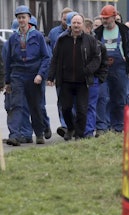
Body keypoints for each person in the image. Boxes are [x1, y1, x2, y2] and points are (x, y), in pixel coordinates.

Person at [47, 13, 101, 140]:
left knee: (82, 110)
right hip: (66, 81)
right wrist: (50, 77)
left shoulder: (90, 40)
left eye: (79, 23)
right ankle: (70, 127)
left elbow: (96, 58)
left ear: (83, 25)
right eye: (74, 23)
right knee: (65, 108)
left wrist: (88, 70)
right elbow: (55, 59)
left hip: (83, 82)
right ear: (70, 24)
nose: (76, 25)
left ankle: (79, 135)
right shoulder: (62, 40)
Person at [4, 5, 51, 146]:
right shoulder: (13, 38)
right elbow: (8, 61)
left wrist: (40, 75)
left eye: (24, 17)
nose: (21, 20)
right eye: (19, 18)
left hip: (33, 75)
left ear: (29, 18)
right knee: (16, 105)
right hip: (17, 75)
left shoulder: (38, 36)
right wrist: (7, 81)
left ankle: (39, 134)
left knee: (35, 106)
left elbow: (46, 57)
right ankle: (15, 135)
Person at [94, 5, 129, 133]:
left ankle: (119, 126)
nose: (105, 21)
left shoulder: (125, 31)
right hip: (103, 69)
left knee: (120, 98)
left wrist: (128, 59)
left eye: (107, 18)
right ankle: (103, 126)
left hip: (120, 69)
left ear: (114, 17)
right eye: (103, 18)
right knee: (103, 97)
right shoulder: (98, 32)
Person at [48, 7, 73, 138]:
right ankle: (65, 125)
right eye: (65, 19)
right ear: (61, 18)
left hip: (74, 72)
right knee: (62, 100)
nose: (67, 22)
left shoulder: (78, 31)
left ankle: (73, 125)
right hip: (60, 71)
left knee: (74, 100)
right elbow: (52, 54)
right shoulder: (54, 33)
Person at [83, 18, 108, 138]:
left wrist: (99, 78)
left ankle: (88, 132)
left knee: (91, 105)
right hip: (78, 80)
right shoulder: (74, 42)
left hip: (93, 79)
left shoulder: (98, 45)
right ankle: (80, 130)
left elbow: (103, 63)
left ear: (88, 29)